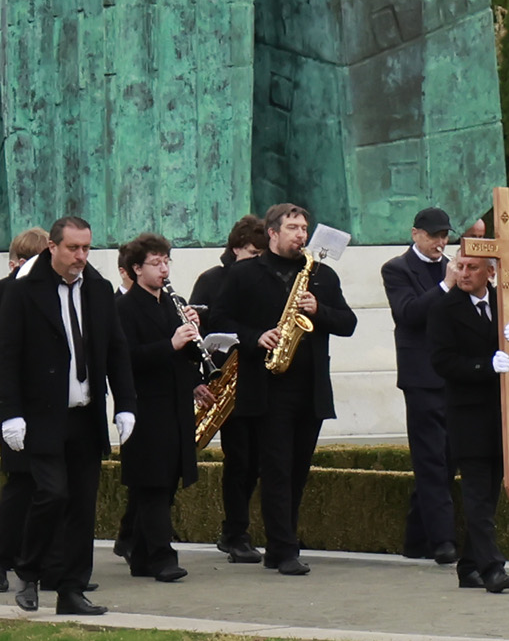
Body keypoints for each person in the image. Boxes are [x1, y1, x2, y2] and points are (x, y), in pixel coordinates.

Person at [0, 213, 129, 615]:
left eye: (86, 248)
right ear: (52, 247)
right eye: (73, 248)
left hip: (85, 415)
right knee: (51, 494)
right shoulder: (23, 291)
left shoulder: (99, 289)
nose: (80, 256)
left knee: (83, 505)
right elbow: (6, 356)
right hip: (42, 416)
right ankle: (30, 572)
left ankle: (71, 590)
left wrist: (126, 405)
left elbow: (116, 350)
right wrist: (10, 414)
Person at [224, 199, 357, 572]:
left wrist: (320, 310)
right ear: (272, 233)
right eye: (293, 229)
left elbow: (348, 323)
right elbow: (218, 320)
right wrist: (254, 337)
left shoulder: (321, 276)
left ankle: (284, 541)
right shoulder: (245, 274)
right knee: (277, 467)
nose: (301, 236)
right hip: (267, 386)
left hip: (310, 386)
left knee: (297, 469)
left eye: (304, 229)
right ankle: (283, 549)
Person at [430, 234, 509, 592]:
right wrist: (483, 366)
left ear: (491, 272)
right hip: (468, 415)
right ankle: (493, 568)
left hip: (503, 414)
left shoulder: (505, 301)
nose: (463, 273)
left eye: (471, 267)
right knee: (477, 494)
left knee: (490, 494)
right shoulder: (445, 308)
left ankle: (468, 565)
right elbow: (442, 362)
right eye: (460, 266)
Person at [112, 232, 202, 584]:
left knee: (165, 484)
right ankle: (163, 557)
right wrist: (170, 343)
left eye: (167, 261)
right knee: (151, 483)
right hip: (145, 407)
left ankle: (142, 556)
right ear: (136, 269)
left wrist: (196, 332)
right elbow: (125, 359)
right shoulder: (123, 308)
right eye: (156, 263)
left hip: (175, 405)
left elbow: (187, 354)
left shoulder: (172, 302)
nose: (164, 269)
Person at [189, 214, 269, 561]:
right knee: (239, 460)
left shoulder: (266, 278)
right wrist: (200, 379)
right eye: (252, 253)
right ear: (235, 249)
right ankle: (235, 532)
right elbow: (194, 333)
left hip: (262, 379)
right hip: (227, 380)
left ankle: (238, 531)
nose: (258, 260)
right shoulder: (212, 280)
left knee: (258, 462)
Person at [0, 227, 52, 592]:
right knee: (20, 482)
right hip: (17, 401)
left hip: (53, 400)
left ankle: (44, 561)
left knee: (52, 485)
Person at [384, 205, 459, 565]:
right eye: (433, 236)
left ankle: (416, 538)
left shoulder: (454, 268)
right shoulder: (397, 269)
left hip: (453, 374)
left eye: (444, 236)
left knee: (448, 459)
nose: (440, 242)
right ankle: (444, 541)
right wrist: (447, 285)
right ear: (416, 234)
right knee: (430, 460)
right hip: (420, 377)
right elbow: (408, 313)